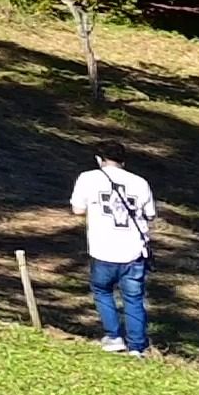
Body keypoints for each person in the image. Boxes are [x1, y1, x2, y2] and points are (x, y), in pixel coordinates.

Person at [72, 150, 158, 353]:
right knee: (134, 298)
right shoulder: (140, 182)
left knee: (102, 291)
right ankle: (137, 346)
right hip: (134, 249)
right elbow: (150, 214)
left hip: (103, 248)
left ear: (99, 159)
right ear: (124, 161)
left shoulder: (88, 178)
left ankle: (114, 336)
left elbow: (77, 209)